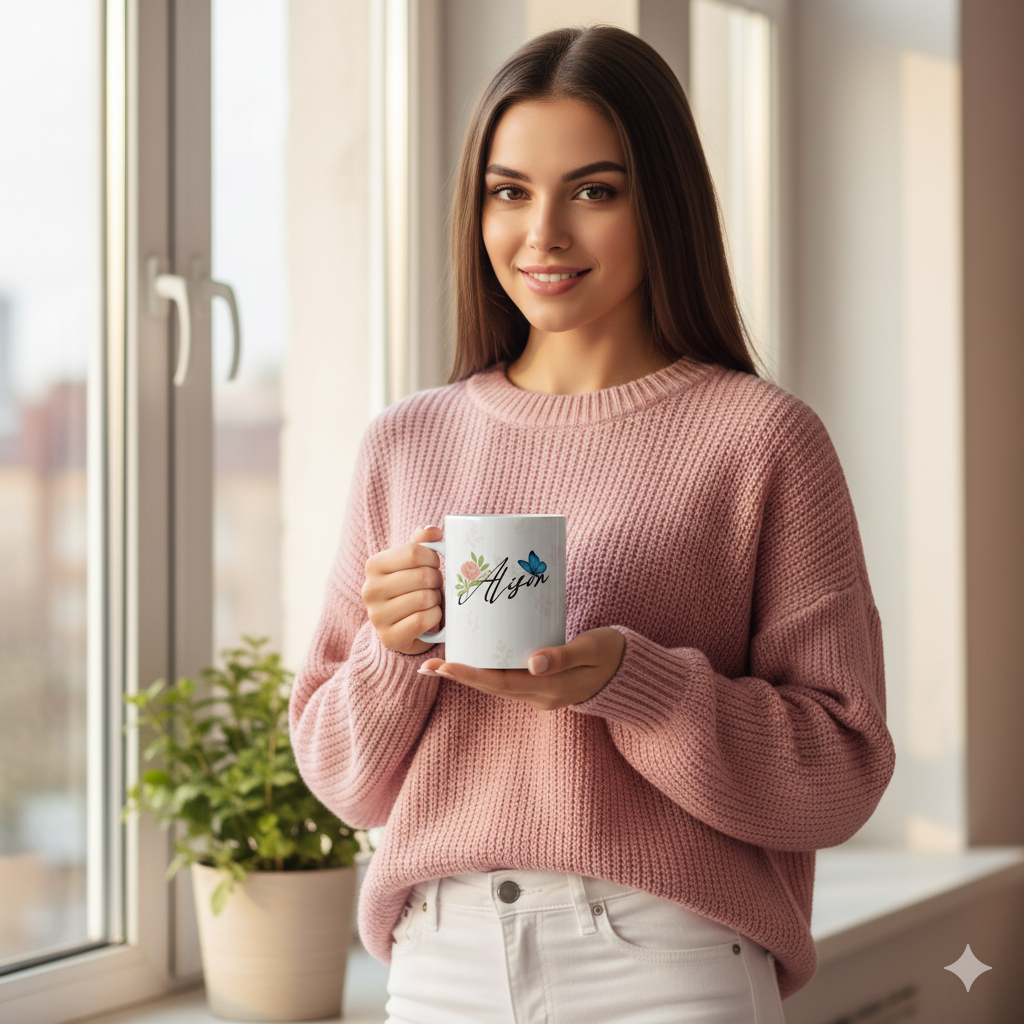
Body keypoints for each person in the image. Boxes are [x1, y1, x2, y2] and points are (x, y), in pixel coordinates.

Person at [289, 25, 895, 1024]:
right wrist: (394, 653)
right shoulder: (405, 441)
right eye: (509, 190)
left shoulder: (762, 438)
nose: (543, 234)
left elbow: (841, 771)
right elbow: (343, 777)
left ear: (661, 203)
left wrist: (632, 684)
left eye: (594, 190)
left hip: (667, 957)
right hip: (441, 963)